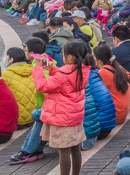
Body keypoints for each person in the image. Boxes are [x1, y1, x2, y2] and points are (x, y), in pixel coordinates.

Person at [32, 40, 90, 175]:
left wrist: (38, 69)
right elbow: (65, 79)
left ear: (70, 57)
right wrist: (52, 69)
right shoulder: (81, 70)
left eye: (64, 54)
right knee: (75, 147)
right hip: (74, 116)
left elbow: (42, 86)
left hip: (62, 118)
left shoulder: (63, 75)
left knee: (63, 150)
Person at [2, 47, 40, 127]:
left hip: (16, 121)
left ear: (11, 59)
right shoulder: (32, 70)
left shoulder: (6, 74)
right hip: (32, 117)